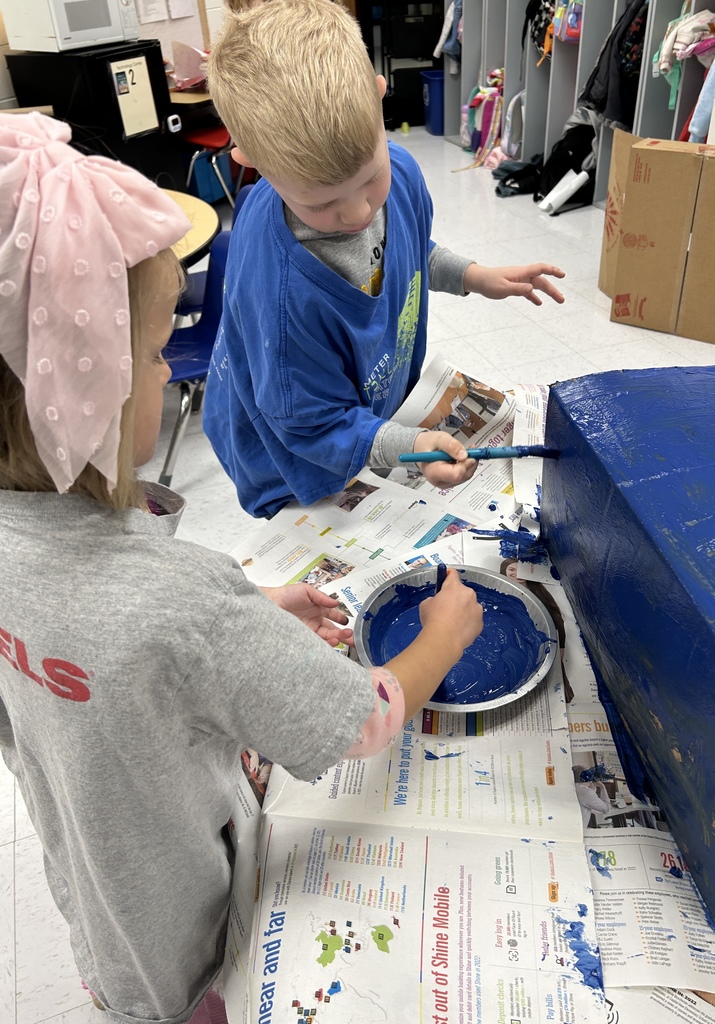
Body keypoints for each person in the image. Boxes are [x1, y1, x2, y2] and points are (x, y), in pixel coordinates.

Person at [0, 113, 484, 1024]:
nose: (168, 367)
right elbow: (367, 719)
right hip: (196, 937)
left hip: (103, 906)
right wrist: (443, 638)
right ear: (85, 390)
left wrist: (252, 605)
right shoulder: (182, 606)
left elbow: (83, 654)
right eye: (152, 355)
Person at [202, 0, 566, 519]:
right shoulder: (282, 298)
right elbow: (313, 424)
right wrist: (408, 449)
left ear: (379, 97)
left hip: (356, 404)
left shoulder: (402, 171)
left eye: (370, 180)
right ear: (251, 163)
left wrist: (474, 276)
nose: (356, 212)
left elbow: (404, 254)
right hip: (289, 451)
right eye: (320, 204)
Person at [500, 557, 574, 702]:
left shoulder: (541, 595)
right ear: (504, 572)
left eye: (521, 570)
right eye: (512, 569)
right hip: (516, 647)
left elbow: (557, 619)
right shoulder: (503, 594)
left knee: (551, 680)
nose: (516, 573)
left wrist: (561, 646)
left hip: (544, 644)